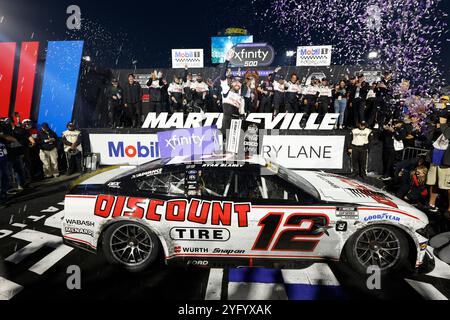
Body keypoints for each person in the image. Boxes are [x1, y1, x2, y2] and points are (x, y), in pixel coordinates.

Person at [219, 49, 246, 142]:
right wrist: (227, 61)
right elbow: (222, 76)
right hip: (226, 123)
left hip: (236, 125)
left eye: (239, 83)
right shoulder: (226, 91)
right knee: (222, 144)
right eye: (235, 82)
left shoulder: (242, 99)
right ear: (232, 83)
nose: (237, 84)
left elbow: (242, 114)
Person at [426, 113, 450, 214]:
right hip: (435, 160)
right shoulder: (442, 127)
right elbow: (429, 138)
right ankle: (431, 204)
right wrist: (433, 126)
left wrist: (443, 124)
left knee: (448, 187)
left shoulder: (446, 128)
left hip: (447, 162)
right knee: (433, 183)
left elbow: (448, 135)